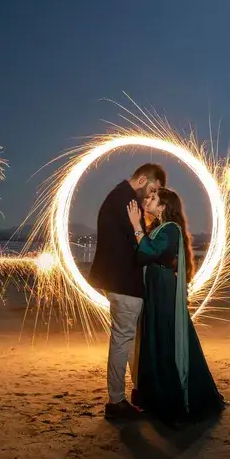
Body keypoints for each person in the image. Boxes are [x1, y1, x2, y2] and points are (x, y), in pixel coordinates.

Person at [127, 189, 225, 425]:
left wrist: (135, 226)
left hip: (162, 290)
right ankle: (155, 396)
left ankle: (172, 399)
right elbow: (143, 255)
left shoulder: (171, 229)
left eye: (152, 199)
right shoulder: (159, 228)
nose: (146, 201)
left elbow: (152, 252)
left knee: (165, 337)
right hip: (155, 288)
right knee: (156, 337)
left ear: (162, 207)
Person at [89, 162, 166, 420]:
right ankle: (116, 402)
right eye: (152, 189)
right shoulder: (126, 201)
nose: (152, 196)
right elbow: (140, 245)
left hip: (121, 283)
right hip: (124, 284)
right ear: (143, 179)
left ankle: (136, 392)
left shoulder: (120, 196)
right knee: (123, 341)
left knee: (130, 341)